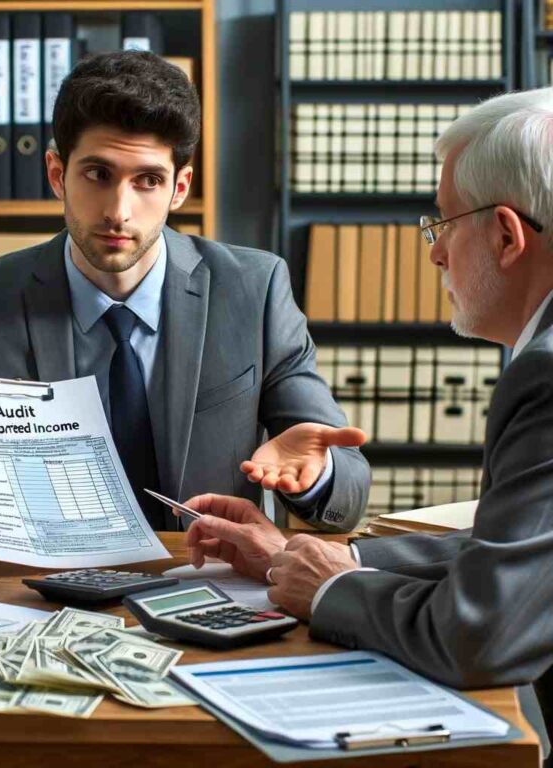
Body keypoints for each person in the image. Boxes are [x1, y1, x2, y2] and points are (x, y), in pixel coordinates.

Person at [0, 51, 370, 543]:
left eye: (147, 181)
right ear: (58, 174)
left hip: (203, 576)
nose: (118, 211)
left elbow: (348, 485)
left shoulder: (254, 291)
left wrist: (318, 472)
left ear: (179, 188)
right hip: (35, 589)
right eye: (97, 174)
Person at [179, 86, 553, 746]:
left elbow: (482, 633)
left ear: (505, 234)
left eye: (443, 224)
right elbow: (520, 551)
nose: (435, 254)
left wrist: (333, 589)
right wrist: (311, 555)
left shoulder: (546, 374)